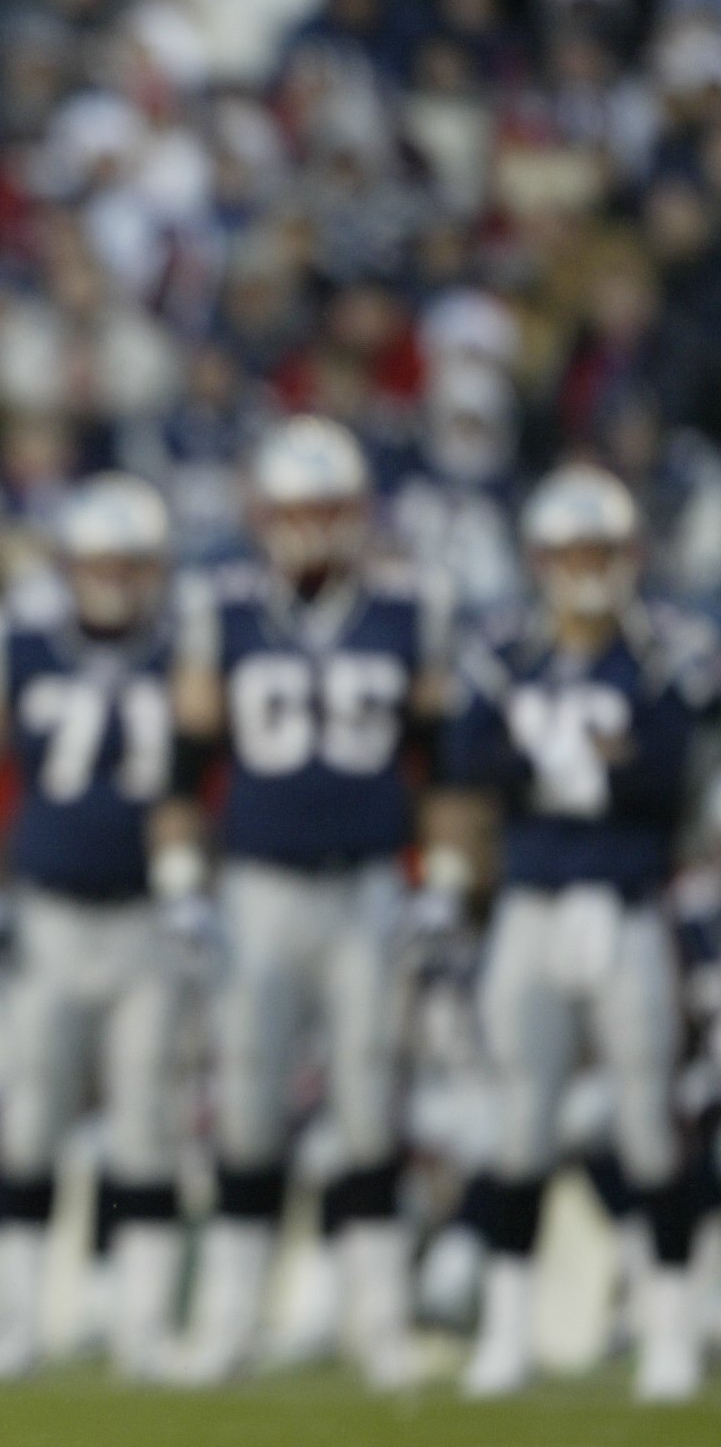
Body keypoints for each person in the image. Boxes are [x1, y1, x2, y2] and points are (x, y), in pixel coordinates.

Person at [158, 417, 451, 1390]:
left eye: (327, 509)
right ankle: (233, 1322)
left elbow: (444, 766)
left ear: (357, 513)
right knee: (246, 1100)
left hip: (368, 882)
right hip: (257, 887)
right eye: (295, 509)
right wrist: (181, 881)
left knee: (370, 1100)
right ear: (264, 515)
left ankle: (379, 1324)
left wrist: (443, 879)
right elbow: (185, 761)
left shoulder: (412, 604)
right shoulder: (223, 604)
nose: (311, 528)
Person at [442, 466, 711, 1402]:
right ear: (541, 559)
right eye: (572, 552)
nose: (587, 569)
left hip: (628, 904)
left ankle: (668, 1330)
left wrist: (542, 763)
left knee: (647, 1124)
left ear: (629, 555)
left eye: (602, 552)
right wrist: (586, 760)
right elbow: (469, 758)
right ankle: (507, 1335)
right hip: (532, 904)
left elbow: (662, 776)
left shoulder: (666, 649)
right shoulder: (506, 650)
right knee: (522, 1124)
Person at [0, 473, 185, 1381]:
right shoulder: (21, 643)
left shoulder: (186, 643)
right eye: (100, 562)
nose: (114, 579)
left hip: (149, 917)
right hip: (46, 913)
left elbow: (209, 779)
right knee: (28, 1123)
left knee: (148, 1123)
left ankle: (141, 1326)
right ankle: (20, 1316)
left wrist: (198, 882)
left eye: (130, 563)